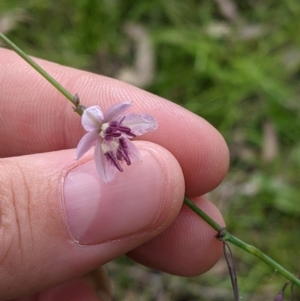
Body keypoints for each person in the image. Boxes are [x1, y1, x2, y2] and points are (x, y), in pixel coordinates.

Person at [0, 47, 229, 301]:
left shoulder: (110, 130)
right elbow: (89, 138)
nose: (114, 139)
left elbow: (134, 125)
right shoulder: (93, 126)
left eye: (115, 134)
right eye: (108, 134)